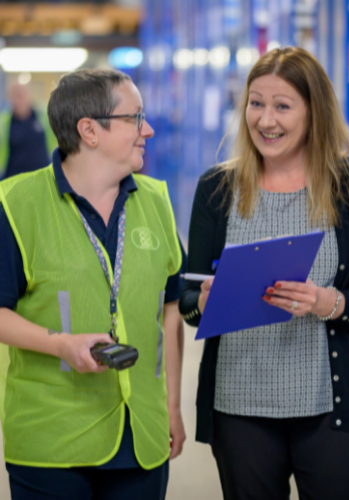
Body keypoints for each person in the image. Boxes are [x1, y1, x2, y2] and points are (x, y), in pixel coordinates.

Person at [179, 47, 349, 500]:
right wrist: (207, 301)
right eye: (256, 103)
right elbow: (188, 300)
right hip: (238, 406)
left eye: (282, 106)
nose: (265, 120)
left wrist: (326, 302)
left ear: (315, 112)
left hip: (328, 408)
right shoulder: (217, 188)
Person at [0, 69, 186, 500]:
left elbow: (172, 305)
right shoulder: (16, 205)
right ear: (89, 130)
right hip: (52, 441)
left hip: (142, 434)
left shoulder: (156, 200)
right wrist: (60, 344)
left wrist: (172, 407)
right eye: (135, 119)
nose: (149, 130)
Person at [0, 82, 57, 179]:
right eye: (16, 95)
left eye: (23, 94)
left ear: (30, 95)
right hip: (13, 179)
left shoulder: (43, 116)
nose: (20, 98)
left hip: (42, 177)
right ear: (10, 98)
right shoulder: (4, 122)